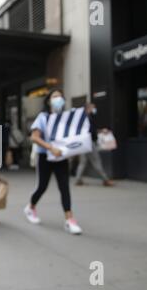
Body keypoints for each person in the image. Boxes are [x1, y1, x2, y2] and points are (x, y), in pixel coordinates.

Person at [23, 89, 83, 235]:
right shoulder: (43, 117)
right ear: (49, 101)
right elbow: (34, 137)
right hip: (45, 157)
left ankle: (69, 219)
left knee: (64, 187)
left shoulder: (66, 117)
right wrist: (51, 148)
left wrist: (70, 151)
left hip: (61, 157)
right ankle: (30, 207)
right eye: (55, 96)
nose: (58, 99)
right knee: (42, 186)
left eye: (60, 96)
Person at [76, 102, 114, 187]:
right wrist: (100, 131)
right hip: (89, 142)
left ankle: (78, 179)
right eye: (92, 107)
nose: (94, 109)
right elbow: (91, 131)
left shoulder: (82, 118)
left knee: (83, 162)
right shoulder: (87, 118)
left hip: (83, 142)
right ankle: (105, 180)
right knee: (96, 161)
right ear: (88, 108)